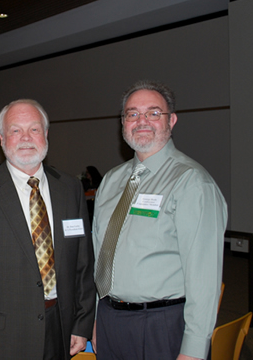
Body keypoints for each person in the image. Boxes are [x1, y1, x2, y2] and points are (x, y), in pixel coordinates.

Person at [0, 99, 95, 360]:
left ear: (46, 134)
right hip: (0, 341)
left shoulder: (70, 188)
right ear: (2, 138)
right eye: (16, 130)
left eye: (34, 129)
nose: (26, 138)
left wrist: (81, 324)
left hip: (61, 330)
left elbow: (83, 263)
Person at [92, 80, 227, 360]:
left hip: (161, 326)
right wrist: (96, 318)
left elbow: (204, 279)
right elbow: (100, 256)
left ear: (172, 120)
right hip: (109, 320)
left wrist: (194, 349)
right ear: (123, 123)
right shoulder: (111, 180)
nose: (142, 121)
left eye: (154, 113)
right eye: (132, 114)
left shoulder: (192, 183)